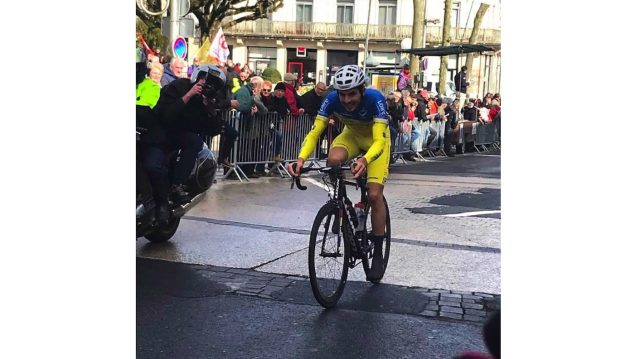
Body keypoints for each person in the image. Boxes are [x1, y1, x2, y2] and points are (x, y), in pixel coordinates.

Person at [288, 65, 391, 281]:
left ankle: (379, 251)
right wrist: (300, 159)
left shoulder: (375, 99)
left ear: (362, 90)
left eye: (352, 94)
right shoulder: (331, 99)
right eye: (342, 95)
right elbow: (315, 131)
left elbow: (380, 140)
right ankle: (340, 205)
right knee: (333, 160)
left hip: (376, 141)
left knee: (373, 195)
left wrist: (364, 159)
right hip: (351, 136)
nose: (346, 100)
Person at [148, 65, 233, 219]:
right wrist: (188, 96)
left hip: (180, 136)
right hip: (160, 133)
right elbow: (165, 115)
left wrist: (210, 108)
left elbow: (214, 130)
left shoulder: (207, 100)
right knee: (153, 166)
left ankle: (175, 187)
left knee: (194, 141)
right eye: (205, 81)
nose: (207, 86)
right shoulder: (179, 86)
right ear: (197, 77)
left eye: (212, 85)